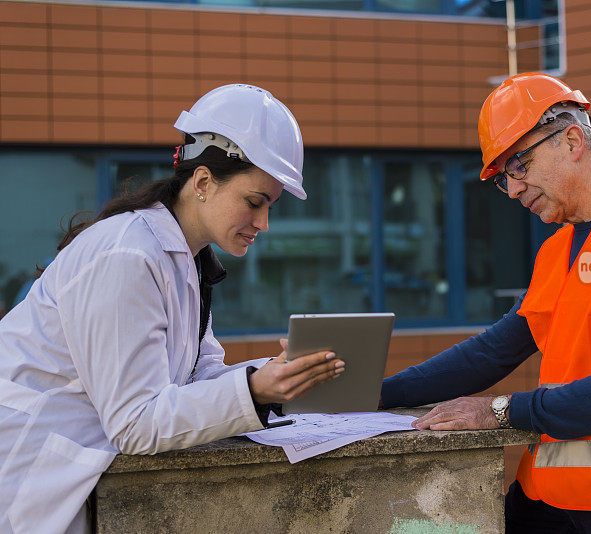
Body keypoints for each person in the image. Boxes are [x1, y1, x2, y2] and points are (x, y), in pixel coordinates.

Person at [381, 73, 591, 533]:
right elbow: (490, 352)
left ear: (571, 140)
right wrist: (370, 393)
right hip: (550, 495)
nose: (514, 190)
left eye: (519, 165)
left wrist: (498, 411)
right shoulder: (559, 249)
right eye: (503, 179)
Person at [0, 84, 345, 534]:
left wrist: (277, 375)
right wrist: (254, 389)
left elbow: (195, 377)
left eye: (270, 207)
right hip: (26, 481)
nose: (263, 223)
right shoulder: (128, 256)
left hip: (62, 482)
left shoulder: (183, 256)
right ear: (202, 182)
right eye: (254, 202)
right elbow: (135, 423)